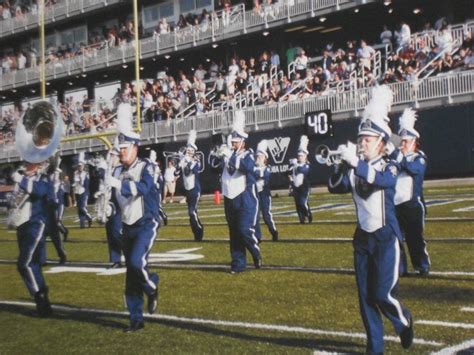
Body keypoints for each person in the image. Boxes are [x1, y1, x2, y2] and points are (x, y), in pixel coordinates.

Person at [327, 86, 414, 354]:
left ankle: (403, 320)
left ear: (381, 142)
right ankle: (374, 348)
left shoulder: (389, 164)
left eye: (367, 139)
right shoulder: (356, 166)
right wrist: (340, 163)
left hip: (386, 237)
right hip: (363, 239)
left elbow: (385, 181)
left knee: (382, 293)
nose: (362, 143)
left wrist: (357, 163)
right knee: (365, 298)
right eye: (360, 139)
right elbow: (335, 186)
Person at [107, 103, 161, 332]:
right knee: (131, 273)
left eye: (125, 148)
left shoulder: (145, 167)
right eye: (120, 149)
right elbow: (113, 198)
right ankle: (135, 318)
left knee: (136, 262)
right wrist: (108, 207)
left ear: (135, 148)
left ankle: (152, 287)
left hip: (146, 222)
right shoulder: (117, 171)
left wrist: (118, 184)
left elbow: (144, 188)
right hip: (127, 226)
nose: (121, 152)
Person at [209, 111, 261, 273]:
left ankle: (255, 251)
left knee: (245, 230)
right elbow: (212, 167)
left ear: (243, 142)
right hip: (229, 198)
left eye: (236, 142)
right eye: (233, 141)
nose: (233, 144)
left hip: (245, 197)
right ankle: (238, 264)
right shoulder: (228, 154)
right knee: (234, 234)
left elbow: (247, 167)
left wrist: (229, 156)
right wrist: (216, 153)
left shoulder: (248, 154)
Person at [10, 161, 53, 317]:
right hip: (22, 224)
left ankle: (39, 297)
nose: (25, 164)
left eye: (29, 161)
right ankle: (44, 304)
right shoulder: (21, 178)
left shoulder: (43, 178)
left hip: (36, 224)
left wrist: (20, 180)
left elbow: (37, 192)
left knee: (24, 264)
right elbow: (14, 201)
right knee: (33, 265)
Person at [392, 108, 430, 276]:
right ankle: (401, 269)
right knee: (396, 240)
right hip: (396, 205)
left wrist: (396, 155)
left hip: (413, 205)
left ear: (414, 142)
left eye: (406, 141)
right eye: (401, 141)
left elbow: (413, 169)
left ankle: (422, 266)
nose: (402, 144)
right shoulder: (397, 158)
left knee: (415, 239)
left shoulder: (419, 157)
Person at [175, 130, 204, 241]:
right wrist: (179, 163)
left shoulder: (196, 161)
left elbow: (189, 171)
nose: (189, 152)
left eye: (191, 150)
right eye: (188, 150)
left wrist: (186, 161)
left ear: (194, 152)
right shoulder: (183, 161)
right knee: (191, 213)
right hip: (187, 190)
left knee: (192, 212)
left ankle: (199, 230)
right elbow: (176, 174)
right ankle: (197, 233)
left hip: (195, 190)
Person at [254, 140, 278, 242]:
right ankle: (258, 236)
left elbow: (264, 175)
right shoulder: (253, 168)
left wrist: (258, 174)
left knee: (266, 215)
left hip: (264, 194)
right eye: (257, 156)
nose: (258, 158)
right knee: (255, 216)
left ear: (265, 158)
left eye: (260, 157)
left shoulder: (267, 168)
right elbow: (255, 175)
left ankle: (274, 232)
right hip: (255, 194)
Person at [288, 135, 312, 224]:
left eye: (302, 156)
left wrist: (295, 165)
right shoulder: (295, 164)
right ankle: (301, 219)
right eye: (299, 156)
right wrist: (290, 168)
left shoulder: (307, 165)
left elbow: (302, 170)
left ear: (305, 156)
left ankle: (308, 214)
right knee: (298, 204)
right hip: (295, 187)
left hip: (304, 187)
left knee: (303, 202)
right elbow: (288, 173)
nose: (300, 157)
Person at [73, 154, 92, 228]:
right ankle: (82, 224)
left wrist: (80, 180)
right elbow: (75, 182)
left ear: (83, 166)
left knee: (82, 207)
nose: (79, 167)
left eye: (81, 166)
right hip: (77, 191)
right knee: (79, 209)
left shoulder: (85, 174)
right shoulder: (75, 173)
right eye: (79, 166)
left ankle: (89, 218)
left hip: (83, 192)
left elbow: (86, 184)